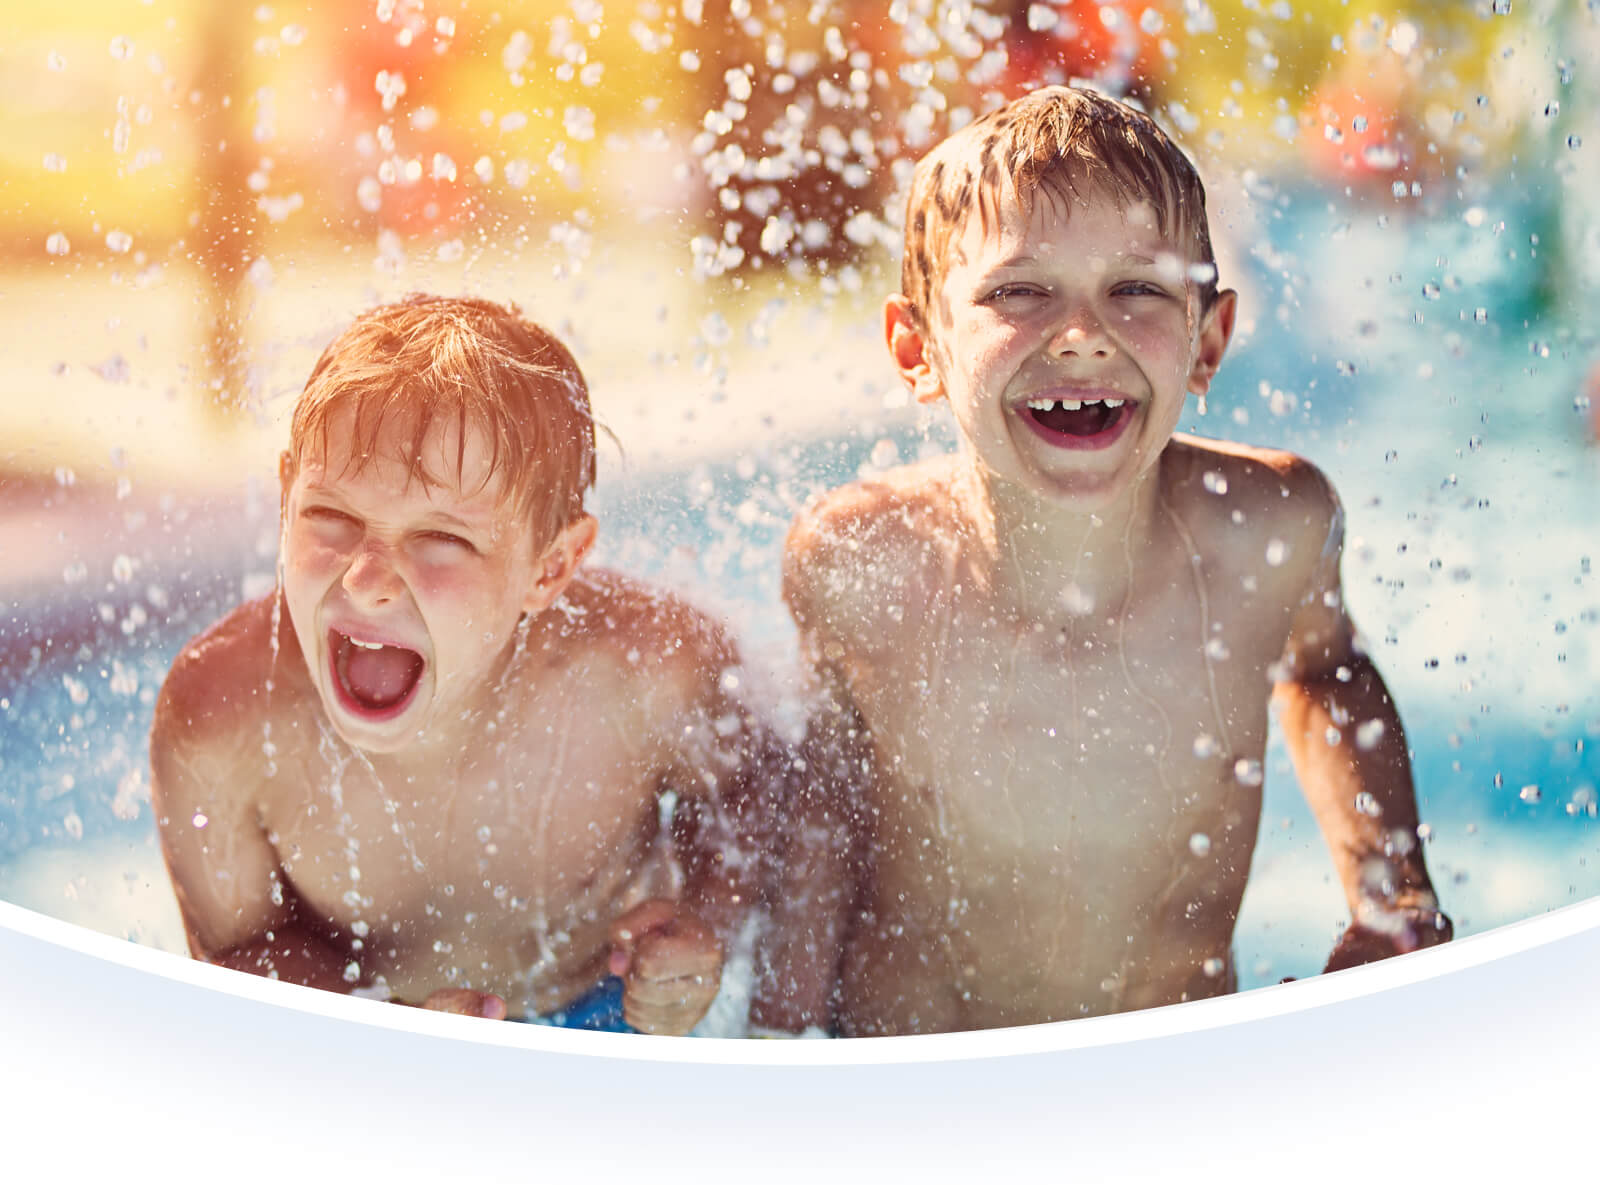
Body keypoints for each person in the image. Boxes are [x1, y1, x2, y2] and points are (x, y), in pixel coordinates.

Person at [752, 86, 1451, 1036]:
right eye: (1018, 291)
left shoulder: (1264, 533)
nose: (1081, 332)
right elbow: (820, 811)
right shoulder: (864, 561)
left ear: (1208, 343)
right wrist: (778, 1030)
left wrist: (1390, 899)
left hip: (1163, 1075)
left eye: (1137, 289)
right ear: (918, 349)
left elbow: (1327, 673)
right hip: (914, 1078)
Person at [152, 295, 776, 1035]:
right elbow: (235, 954)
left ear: (550, 567)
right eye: (332, 518)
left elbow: (753, 791)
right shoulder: (222, 717)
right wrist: (381, 1027)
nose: (366, 579)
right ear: (287, 493)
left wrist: (702, 925)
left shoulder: (648, 673)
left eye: (440, 538)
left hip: (608, 1013)